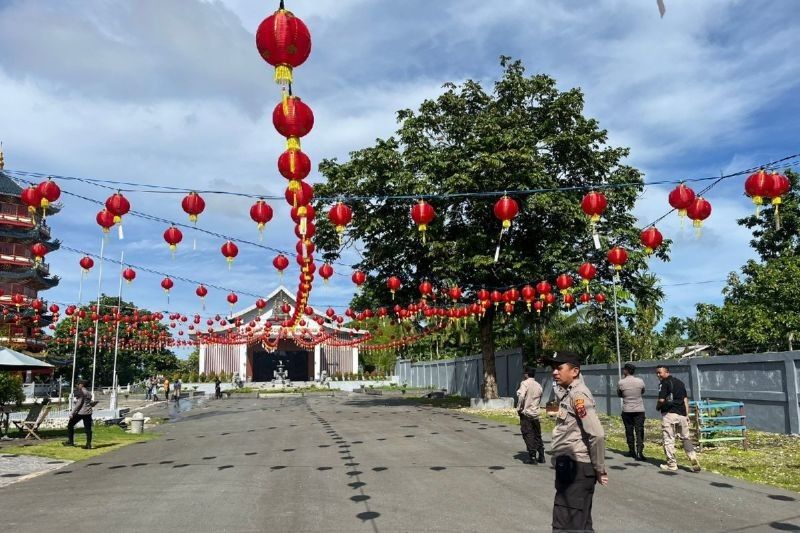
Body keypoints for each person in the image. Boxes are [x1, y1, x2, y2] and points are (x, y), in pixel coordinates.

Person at [544, 351, 607, 533]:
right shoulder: (568, 393)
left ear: (575, 371)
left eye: (559, 367)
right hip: (572, 467)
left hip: (576, 469)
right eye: (552, 368)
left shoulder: (578, 395)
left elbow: (596, 434)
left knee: (565, 525)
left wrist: (599, 468)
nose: (554, 372)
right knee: (582, 524)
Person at [656, 365, 701, 472]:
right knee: (686, 438)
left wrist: (658, 407)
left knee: (668, 439)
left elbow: (661, 400)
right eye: (657, 373)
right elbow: (685, 399)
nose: (658, 375)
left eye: (660, 372)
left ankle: (672, 464)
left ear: (667, 372)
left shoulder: (664, 383)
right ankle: (693, 457)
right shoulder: (680, 383)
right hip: (681, 415)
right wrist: (687, 414)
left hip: (669, 415)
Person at [516, 365, 545, 464]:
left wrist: (519, 407)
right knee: (537, 434)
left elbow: (521, 397)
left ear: (526, 374)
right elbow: (539, 398)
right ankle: (541, 455)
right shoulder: (538, 385)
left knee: (528, 434)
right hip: (535, 413)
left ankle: (532, 457)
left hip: (526, 413)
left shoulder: (524, 383)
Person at [617, 362, 646, 460]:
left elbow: (619, 394)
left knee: (629, 431)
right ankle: (640, 452)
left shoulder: (621, 382)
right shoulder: (640, 381)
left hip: (627, 410)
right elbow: (642, 392)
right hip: (639, 410)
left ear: (626, 371)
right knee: (639, 430)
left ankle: (631, 451)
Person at [63, 380, 93, 449]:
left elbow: (79, 403)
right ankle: (88, 444)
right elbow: (89, 402)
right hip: (88, 412)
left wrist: (72, 413)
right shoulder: (89, 393)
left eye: (78, 384)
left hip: (81, 412)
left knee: (70, 425)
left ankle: (70, 441)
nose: (78, 385)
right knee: (88, 428)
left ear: (81, 385)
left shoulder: (81, 392)